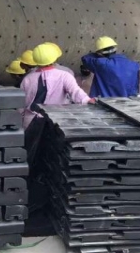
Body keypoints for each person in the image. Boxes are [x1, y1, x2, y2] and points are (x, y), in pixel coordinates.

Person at [21, 42, 95, 173]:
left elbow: (22, 103)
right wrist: (87, 100)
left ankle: (29, 177)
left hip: (31, 120)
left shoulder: (28, 78)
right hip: (56, 121)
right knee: (52, 156)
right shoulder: (64, 75)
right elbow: (75, 92)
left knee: (31, 154)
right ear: (54, 58)